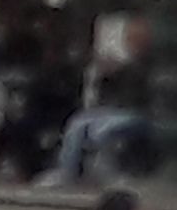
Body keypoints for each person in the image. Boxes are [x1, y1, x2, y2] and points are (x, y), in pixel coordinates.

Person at [43, 15, 156, 189]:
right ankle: (67, 173)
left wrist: (121, 68)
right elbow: (104, 93)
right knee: (76, 124)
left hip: (137, 114)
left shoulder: (148, 62)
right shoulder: (122, 64)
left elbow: (140, 94)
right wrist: (104, 72)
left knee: (100, 131)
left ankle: (107, 174)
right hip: (112, 111)